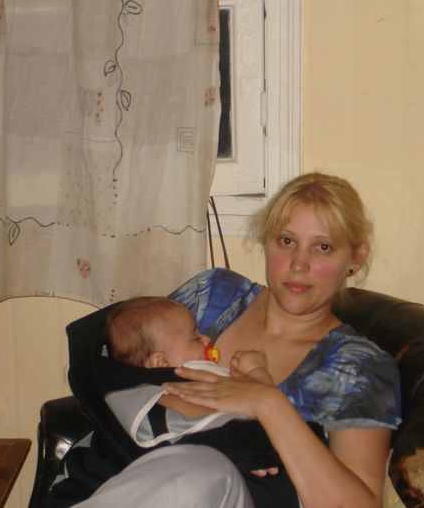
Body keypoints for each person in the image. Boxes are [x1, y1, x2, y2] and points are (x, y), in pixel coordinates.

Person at [73, 172, 401, 508]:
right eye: (286, 241)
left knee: (203, 471)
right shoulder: (213, 297)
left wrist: (267, 403)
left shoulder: (357, 369)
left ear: (355, 258)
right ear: (266, 241)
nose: (299, 264)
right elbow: (122, 358)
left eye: (323, 247)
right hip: (125, 480)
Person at [105, 295, 273, 386]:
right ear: (162, 362)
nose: (206, 339)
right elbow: (259, 402)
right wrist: (256, 371)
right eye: (195, 338)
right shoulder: (196, 375)